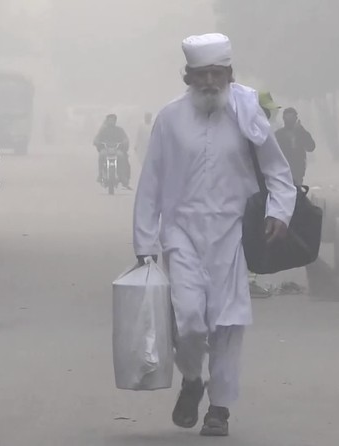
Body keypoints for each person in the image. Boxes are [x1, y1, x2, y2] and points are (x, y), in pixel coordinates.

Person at [133, 33, 296, 437]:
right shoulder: (169, 118)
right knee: (188, 320)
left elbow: (278, 171)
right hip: (181, 231)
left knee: (228, 323)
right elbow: (151, 180)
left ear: (229, 74)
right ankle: (192, 379)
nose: (209, 82)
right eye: (201, 75)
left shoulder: (247, 115)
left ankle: (219, 408)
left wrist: (279, 212)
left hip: (233, 232)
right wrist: (145, 242)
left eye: (217, 74)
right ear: (187, 77)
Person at [275, 107, 316, 185]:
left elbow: (311, 147)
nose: (290, 120)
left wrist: (302, 131)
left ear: (296, 118)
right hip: (283, 167)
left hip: (298, 167)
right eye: (288, 117)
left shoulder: (301, 132)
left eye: (292, 117)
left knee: (297, 187)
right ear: (283, 118)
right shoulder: (279, 134)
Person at [93, 114, 131, 189]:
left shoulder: (119, 130)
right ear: (107, 121)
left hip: (117, 150)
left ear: (115, 121)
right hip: (105, 150)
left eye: (113, 120)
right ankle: (100, 175)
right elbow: (97, 138)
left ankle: (122, 176)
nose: (111, 121)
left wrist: (125, 142)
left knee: (121, 156)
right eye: (110, 120)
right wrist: (97, 142)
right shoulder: (103, 130)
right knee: (101, 155)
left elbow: (125, 138)